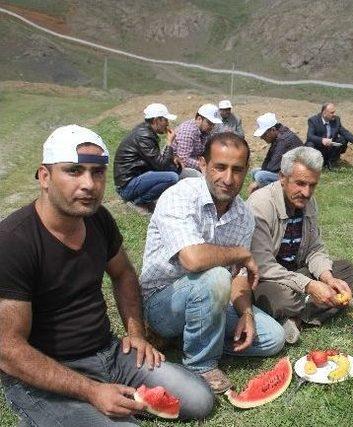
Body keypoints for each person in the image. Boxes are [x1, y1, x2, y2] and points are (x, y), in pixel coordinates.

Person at [0, 125, 213, 426]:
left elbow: (123, 273)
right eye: (74, 171)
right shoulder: (13, 241)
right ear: (45, 177)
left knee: (199, 400)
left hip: (108, 353)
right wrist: (91, 391)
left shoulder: (97, 218)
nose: (89, 184)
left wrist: (136, 333)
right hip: (42, 376)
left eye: (97, 172)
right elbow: (8, 350)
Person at [140, 132, 285, 394]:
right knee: (217, 275)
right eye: (220, 167)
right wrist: (240, 252)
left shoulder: (243, 215)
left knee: (273, 338)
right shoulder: (180, 196)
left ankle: (194, 338)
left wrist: (246, 314)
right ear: (203, 165)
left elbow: (239, 275)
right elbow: (193, 260)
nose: (228, 179)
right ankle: (200, 365)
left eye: (237, 170)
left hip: (213, 298)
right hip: (163, 301)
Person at [247, 147, 353, 344]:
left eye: (312, 185)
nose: (306, 192)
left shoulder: (309, 202)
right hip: (267, 279)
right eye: (300, 183)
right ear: (282, 177)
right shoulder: (259, 205)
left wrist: (327, 277)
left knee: (346, 270)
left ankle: (296, 318)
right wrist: (309, 285)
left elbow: (315, 248)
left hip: (297, 272)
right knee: (280, 299)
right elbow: (263, 266)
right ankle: (314, 308)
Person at [114, 103, 183, 213]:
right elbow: (161, 166)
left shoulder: (145, 132)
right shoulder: (144, 136)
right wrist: (169, 142)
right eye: (165, 120)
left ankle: (142, 200)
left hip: (134, 179)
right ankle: (139, 202)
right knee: (172, 177)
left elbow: (156, 161)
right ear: (156, 121)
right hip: (127, 186)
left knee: (174, 170)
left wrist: (172, 159)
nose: (167, 124)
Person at [248, 112, 303, 193]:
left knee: (260, 176)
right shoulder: (278, 137)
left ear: (273, 129)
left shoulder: (283, 140)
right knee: (255, 172)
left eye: (264, 135)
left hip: (295, 176)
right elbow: (268, 160)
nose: (262, 138)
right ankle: (259, 195)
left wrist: (256, 182)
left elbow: (272, 167)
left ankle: (273, 197)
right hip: (285, 171)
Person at [306, 102, 353, 169]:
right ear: (324, 113)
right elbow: (310, 136)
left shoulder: (336, 120)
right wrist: (322, 140)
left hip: (330, 149)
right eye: (332, 113)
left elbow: (345, 132)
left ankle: (331, 162)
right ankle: (312, 164)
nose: (334, 114)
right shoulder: (313, 120)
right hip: (318, 149)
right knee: (310, 144)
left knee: (343, 139)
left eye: (334, 112)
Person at [172, 103, 223, 177]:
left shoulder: (204, 130)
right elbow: (183, 159)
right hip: (176, 166)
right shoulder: (188, 131)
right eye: (209, 123)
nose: (212, 126)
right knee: (205, 180)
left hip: (193, 161)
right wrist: (205, 166)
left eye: (213, 124)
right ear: (199, 119)